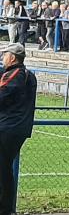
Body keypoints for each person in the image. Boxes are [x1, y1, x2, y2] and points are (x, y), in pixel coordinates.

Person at [0, 43, 37, 215]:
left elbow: (3, 95)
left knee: (3, 169)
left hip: (8, 128)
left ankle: (5, 208)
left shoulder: (15, 75)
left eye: (5, 55)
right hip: (16, 127)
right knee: (4, 168)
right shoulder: (26, 75)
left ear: (13, 57)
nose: (3, 58)